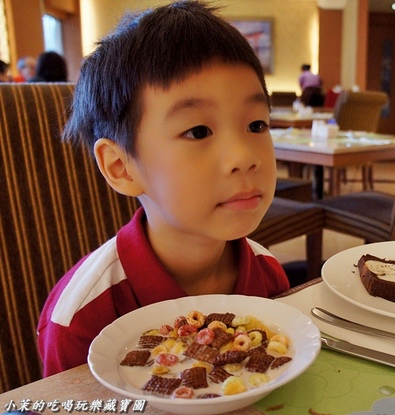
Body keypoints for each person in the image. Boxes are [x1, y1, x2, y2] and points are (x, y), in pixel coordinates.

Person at [37, 0, 289, 377]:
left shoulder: (267, 272)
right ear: (121, 167)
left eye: (256, 125)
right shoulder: (83, 319)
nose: (243, 156)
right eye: (198, 131)